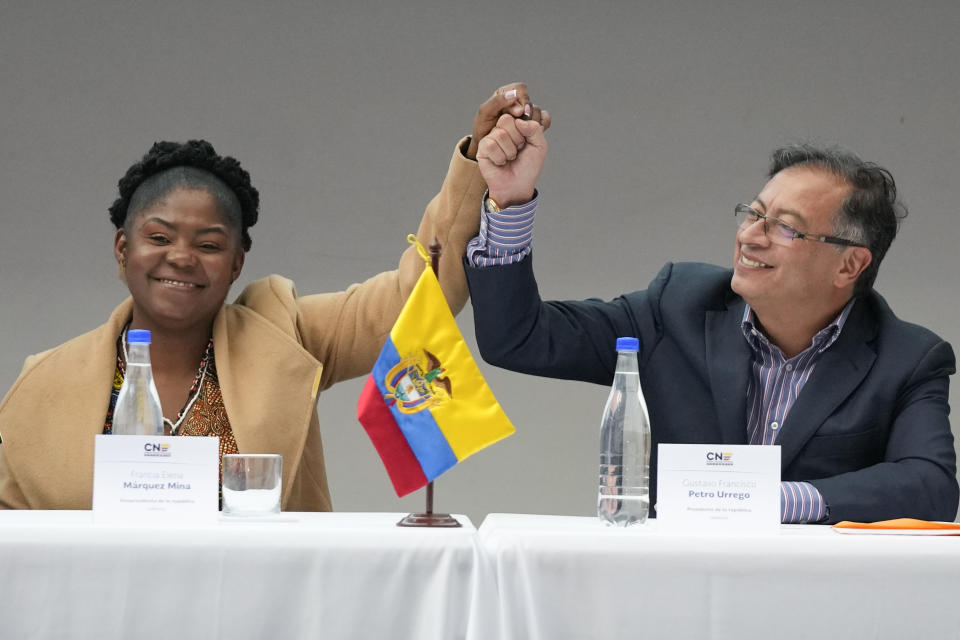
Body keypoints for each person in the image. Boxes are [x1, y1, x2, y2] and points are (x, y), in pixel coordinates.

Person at [0, 84, 550, 511]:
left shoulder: (286, 332)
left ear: (237, 263)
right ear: (123, 249)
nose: (183, 257)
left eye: (210, 244)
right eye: (160, 238)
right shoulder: (42, 384)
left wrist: (477, 167)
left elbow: (416, 295)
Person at [463, 113, 958, 524]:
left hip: (814, 601)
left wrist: (777, 500)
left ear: (849, 264)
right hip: (672, 593)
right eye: (753, 213)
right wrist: (509, 201)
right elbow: (519, 337)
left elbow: (932, 486)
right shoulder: (676, 307)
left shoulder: (907, 359)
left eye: (785, 228)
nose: (751, 236)